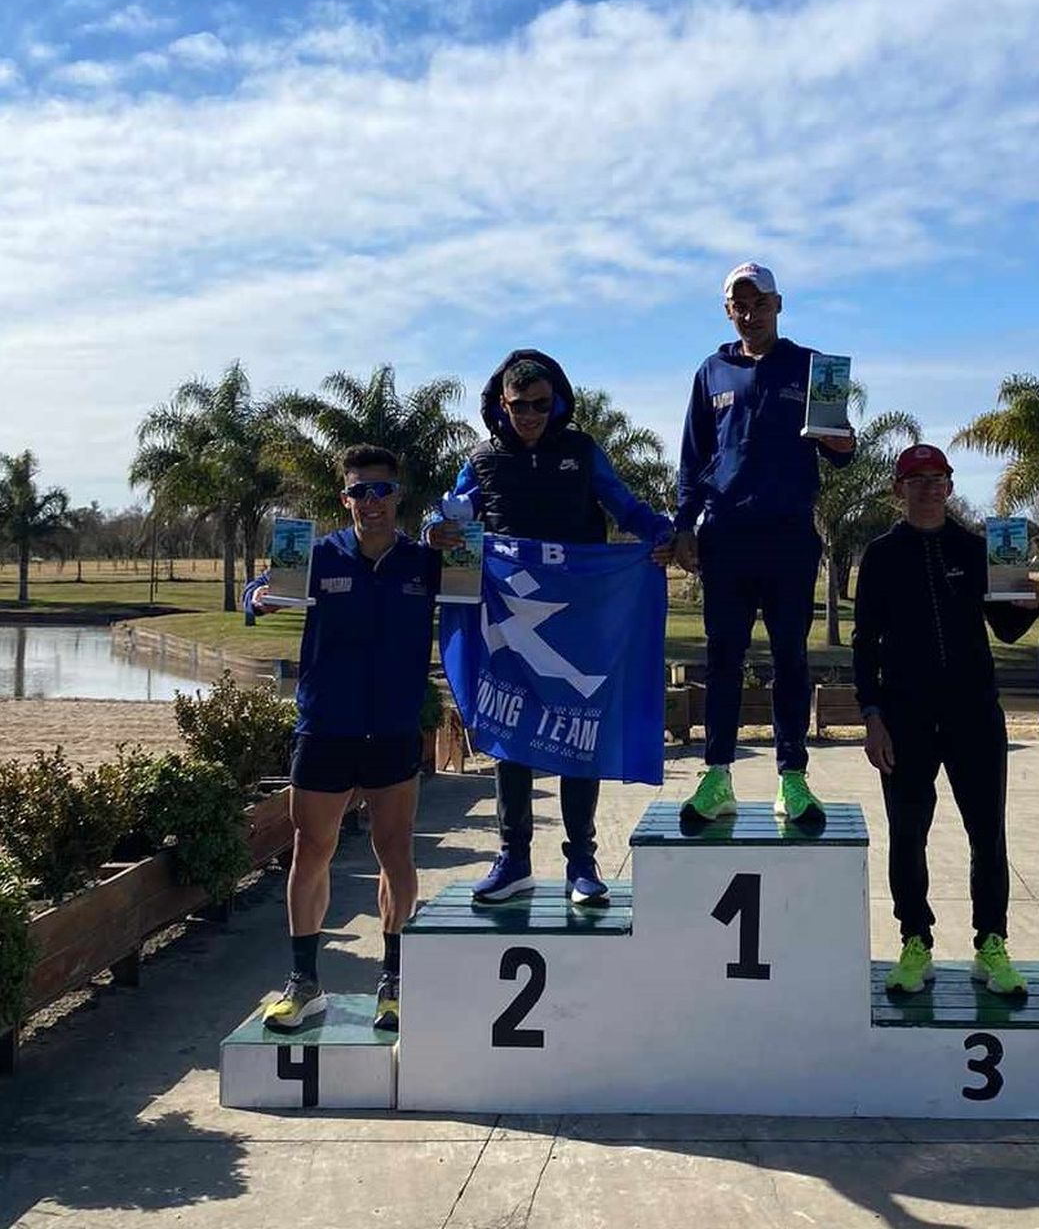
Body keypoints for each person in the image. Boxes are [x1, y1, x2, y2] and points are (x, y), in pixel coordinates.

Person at [428, 350, 675, 908]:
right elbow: (449, 514)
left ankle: (582, 864)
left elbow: (624, 506)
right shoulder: (482, 458)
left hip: (576, 615)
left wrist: (662, 533)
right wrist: (433, 530)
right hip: (508, 617)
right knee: (508, 732)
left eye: (541, 405)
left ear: (556, 402)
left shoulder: (581, 452)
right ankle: (513, 859)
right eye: (520, 406)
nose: (531, 415)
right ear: (502, 405)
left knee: (577, 730)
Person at [245, 445, 441, 1033]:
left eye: (382, 490)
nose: (371, 502)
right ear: (344, 498)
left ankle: (395, 982)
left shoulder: (426, 560)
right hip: (325, 726)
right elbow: (261, 590)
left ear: (397, 495)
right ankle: (305, 984)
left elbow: (483, 592)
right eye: (360, 491)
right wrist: (257, 597)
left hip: (394, 728)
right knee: (311, 851)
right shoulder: (315, 553)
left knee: (395, 852)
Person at [674, 262, 856, 822]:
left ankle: (792, 778)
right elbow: (693, 456)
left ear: (779, 305)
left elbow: (843, 451)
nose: (750, 314)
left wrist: (838, 438)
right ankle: (718, 776)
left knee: (790, 659)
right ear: (729, 310)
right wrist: (684, 525)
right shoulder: (712, 372)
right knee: (722, 658)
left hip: (788, 540)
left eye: (761, 304)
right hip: (725, 537)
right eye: (740, 306)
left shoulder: (809, 367)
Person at [853, 444, 1037, 995]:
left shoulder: (978, 548)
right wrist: (872, 716)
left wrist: (1028, 605)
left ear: (951, 487)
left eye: (939, 479)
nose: (929, 488)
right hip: (905, 718)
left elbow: (1005, 629)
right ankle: (915, 941)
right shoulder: (882, 554)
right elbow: (865, 643)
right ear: (898, 489)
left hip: (973, 714)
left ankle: (991, 943)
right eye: (917, 480)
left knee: (988, 834)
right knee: (909, 835)